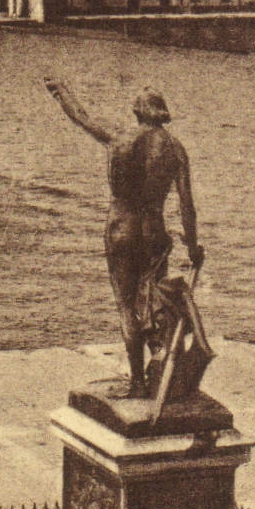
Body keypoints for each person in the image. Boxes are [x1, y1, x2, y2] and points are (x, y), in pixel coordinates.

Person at [46, 79, 204, 398]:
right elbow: (187, 205)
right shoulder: (175, 149)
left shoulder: (120, 137)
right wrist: (192, 246)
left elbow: (82, 118)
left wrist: (62, 92)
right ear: (162, 114)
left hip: (121, 228)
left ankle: (138, 382)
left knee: (126, 307)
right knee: (153, 304)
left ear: (137, 112)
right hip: (154, 232)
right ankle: (159, 369)